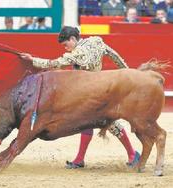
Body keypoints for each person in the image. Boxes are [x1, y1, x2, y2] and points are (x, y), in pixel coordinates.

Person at [20, 26, 140, 169]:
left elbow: (53, 63)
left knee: (105, 122)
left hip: (89, 93)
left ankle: (131, 154)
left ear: (72, 39)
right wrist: (128, 72)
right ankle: (83, 158)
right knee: (92, 121)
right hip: (101, 89)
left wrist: (32, 60)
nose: (65, 48)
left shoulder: (76, 54)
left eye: (66, 44)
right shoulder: (96, 41)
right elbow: (114, 55)